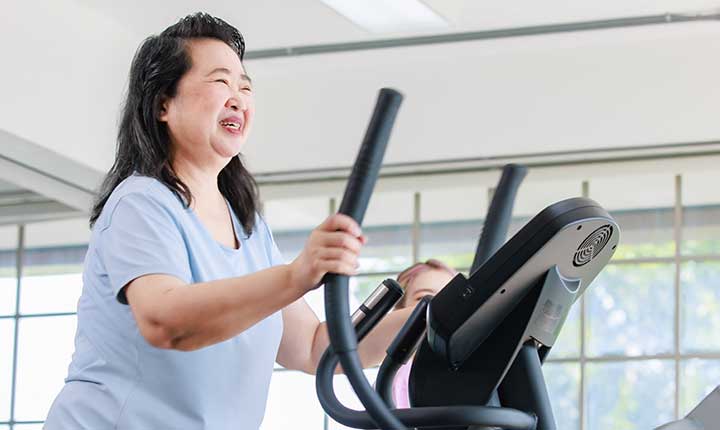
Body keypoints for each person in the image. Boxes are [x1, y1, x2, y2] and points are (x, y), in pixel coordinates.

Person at [44, 13, 414, 429]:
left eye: (245, 86)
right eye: (221, 82)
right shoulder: (141, 202)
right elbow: (165, 321)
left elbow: (314, 347)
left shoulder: (249, 227)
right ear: (163, 104)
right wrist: (297, 275)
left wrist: (434, 323)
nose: (238, 96)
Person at [390, 259, 457, 408]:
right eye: (423, 298)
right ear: (399, 310)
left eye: (450, 298)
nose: (440, 307)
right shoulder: (394, 381)